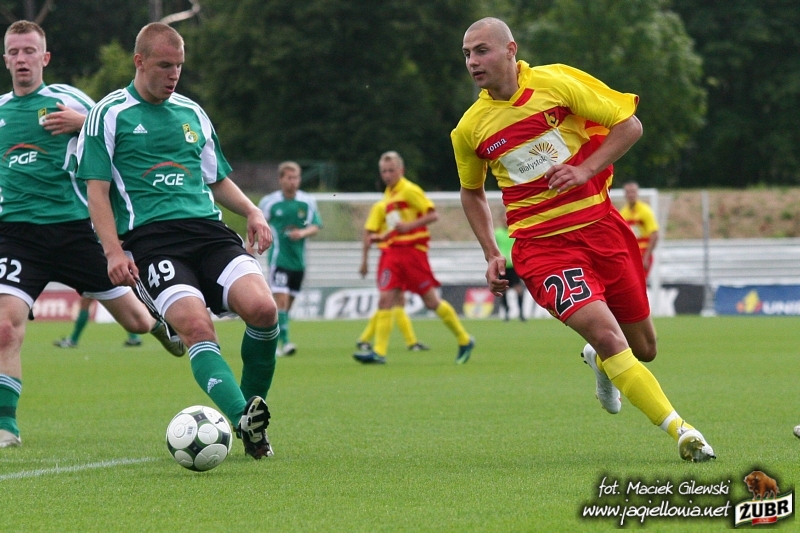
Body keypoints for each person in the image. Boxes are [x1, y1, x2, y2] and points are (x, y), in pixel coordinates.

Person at [452, 18, 714, 461]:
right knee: (612, 337)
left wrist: (584, 170)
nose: (473, 62)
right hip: (543, 249)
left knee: (644, 348)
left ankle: (599, 359)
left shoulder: (557, 83)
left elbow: (629, 125)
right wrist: (492, 251)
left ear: (511, 49)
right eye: (466, 54)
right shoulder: (470, 129)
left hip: (601, 228)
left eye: (482, 50)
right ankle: (682, 431)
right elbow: (471, 192)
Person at [77, 22, 279, 459]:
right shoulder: (108, 113)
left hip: (209, 233)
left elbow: (217, 178)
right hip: (152, 243)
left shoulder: (192, 112)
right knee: (197, 328)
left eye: (179, 66)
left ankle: (250, 415)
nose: (174, 75)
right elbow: (97, 191)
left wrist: (253, 211)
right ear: (139, 62)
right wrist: (112, 251)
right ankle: (245, 421)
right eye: (164, 66)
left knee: (264, 310)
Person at [0, 21, 184, 450]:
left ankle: (158, 326)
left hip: (75, 233)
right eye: (15, 52)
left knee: (135, 320)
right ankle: (6, 426)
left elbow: (120, 126)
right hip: (16, 237)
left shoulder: (71, 101)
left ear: (45, 58)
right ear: (6, 59)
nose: (22, 59)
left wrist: (83, 122)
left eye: (30, 51)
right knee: (5, 328)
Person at [353, 151, 474, 365]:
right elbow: (396, 227)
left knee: (431, 301)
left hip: (412, 253)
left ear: (401, 170)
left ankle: (464, 339)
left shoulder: (409, 190)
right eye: (384, 171)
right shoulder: (388, 196)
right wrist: (383, 237)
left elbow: (433, 214)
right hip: (393, 253)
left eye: (391, 171)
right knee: (384, 299)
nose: (387, 175)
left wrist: (409, 226)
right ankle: (379, 352)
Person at [256, 161, 321, 356]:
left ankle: (272, 338)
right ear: (281, 179)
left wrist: (302, 233)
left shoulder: (307, 202)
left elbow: (316, 226)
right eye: (289, 178)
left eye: (296, 178)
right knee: (281, 301)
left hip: (298, 262)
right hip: (279, 260)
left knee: (286, 306)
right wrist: (249, 247)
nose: (293, 181)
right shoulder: (270, 202)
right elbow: (257, 224)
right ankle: (285, 343)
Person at [356, 199, 429, 353]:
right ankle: (368, 340)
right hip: (388, 258)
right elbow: (368, 233)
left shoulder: (400, 207)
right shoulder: (381, 206)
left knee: (397, 301)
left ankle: (409, 342)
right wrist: (364, 261)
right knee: (387, 301)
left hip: (399, 257)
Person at [53, 296, 142, 348]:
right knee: (120, 305)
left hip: (99, 275)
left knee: (85, 302)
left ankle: (73, 340)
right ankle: (134, 337)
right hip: (109, 276)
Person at [617, 181, 659, 278]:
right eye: (628, 192)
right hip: (631, 255)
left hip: (643, 253)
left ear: (637, 193)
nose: (631, 195)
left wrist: (646, 257)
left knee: (640, 283)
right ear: (625, 194)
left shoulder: (645, 210)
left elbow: (655, 234)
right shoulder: (623, 212)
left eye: (633, 192)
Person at [494, 223, 525, 321]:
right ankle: (506, 312)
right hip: (503, 266)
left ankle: (521, 312)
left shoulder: (515, 230)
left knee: (518, 289)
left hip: (514, 265)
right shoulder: (497, 233)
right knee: (503, 290)